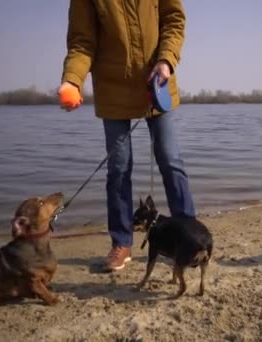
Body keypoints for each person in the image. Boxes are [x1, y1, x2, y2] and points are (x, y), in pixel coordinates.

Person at [59, 0, 196, 271]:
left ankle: (188, 235)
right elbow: (82, 41)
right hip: (112, 91)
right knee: (118, 168)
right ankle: (121, 243)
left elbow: (174, 22)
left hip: (158, 83)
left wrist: (166, 61)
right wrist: (72, 79)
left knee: (170, 161)